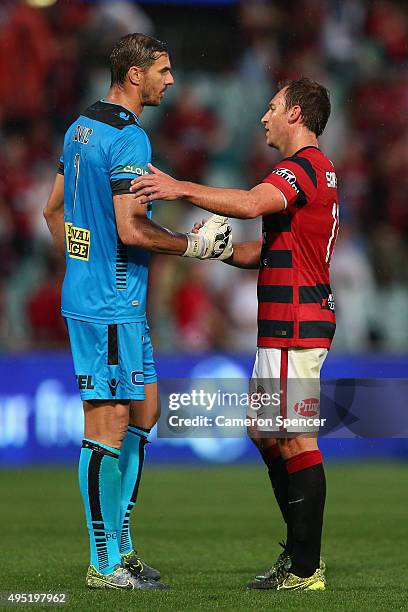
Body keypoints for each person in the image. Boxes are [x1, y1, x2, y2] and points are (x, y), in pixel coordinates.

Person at [131, 78, 339, 592]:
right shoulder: (316, 173)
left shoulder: (302, 167)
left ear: (295, 114)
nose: (263, 117)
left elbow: (249, 204)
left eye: (271, 108)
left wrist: (180, 187)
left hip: (295, 321)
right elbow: (267, 251)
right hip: (288, 318)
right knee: (266, 432)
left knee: (292, 436)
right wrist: (213, 250)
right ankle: (299, 556)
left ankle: (305, 567)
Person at [43, 32, 232, 592]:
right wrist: (193, 246)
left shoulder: (81, 127)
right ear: (134, 75)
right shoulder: (130, 139)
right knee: (108, 423)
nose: (170, 80)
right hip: (109, 304)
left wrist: (83, 261)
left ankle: (123, 547)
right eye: (163, 70)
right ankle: (104, 564)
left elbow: (53, 211)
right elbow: (130, 227)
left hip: (113, 298)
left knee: (144, 412)